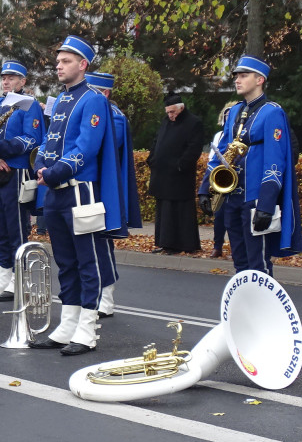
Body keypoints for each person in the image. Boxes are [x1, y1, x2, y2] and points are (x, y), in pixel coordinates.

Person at [29, 36, 123, 356]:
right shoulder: (62, 99)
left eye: (66, 60)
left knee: (88, 261)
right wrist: (40, 164)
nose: (58, 65)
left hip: (81, 192)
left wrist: (55, 171)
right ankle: (67, 325)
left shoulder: (93, 99)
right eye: (58, 60)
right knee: (65, 262)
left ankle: (87, 329)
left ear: (83, 65)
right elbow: (49, 142)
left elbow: (86, 148)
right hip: (56, 194)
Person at [198, 55, 302, 274]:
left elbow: (275, 162)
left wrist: (266, 203)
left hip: (255, 198)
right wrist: (205, 188)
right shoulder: (235, 111)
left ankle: (264, 308)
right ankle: (246, 307)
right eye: (236, 76)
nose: (237, 80)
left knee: (259, 264)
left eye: (244, 76)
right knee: (240, 263)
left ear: (259, 80)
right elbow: (221, 152)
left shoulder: (272, 112)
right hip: (232, 197)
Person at [0, 61, 45, 302]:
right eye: (4, 77)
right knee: (1, 228)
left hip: (16, 171)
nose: (6, 81)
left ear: (23, 82)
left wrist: (3, 149)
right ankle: (3, 275)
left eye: (12, 77)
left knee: (17, 227)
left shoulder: (29, 106)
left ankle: (19, 278)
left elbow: (31, 139)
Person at [86, 72, 142, 318]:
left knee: (101, 243)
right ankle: (90, 294)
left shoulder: (115, 117)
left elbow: (98, 149)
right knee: (87, 246)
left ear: (105, 93)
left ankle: (106, 295)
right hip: (87, 188)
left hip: (102, 190)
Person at [147, 92, 204, 255]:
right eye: (168, 113)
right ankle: (164, 242)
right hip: (162, 173)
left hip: (179, 176)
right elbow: (156, 141)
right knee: (164, 211)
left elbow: (194, 148)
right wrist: (152, 159)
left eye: (173, 112)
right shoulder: (166, 121)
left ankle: (183, 244)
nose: (170, 116)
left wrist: (181, 165)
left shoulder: (193, 122)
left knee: (180, 211)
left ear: (181, 108)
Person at [208, 104, 236, 258]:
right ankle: (217, 245)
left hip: (234, 179)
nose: (227, 118)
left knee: (233, 217)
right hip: (221, 179)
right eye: (226, 115)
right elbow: (213, 157)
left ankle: (234, 247)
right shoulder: (219, 135)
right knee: (219, 215)